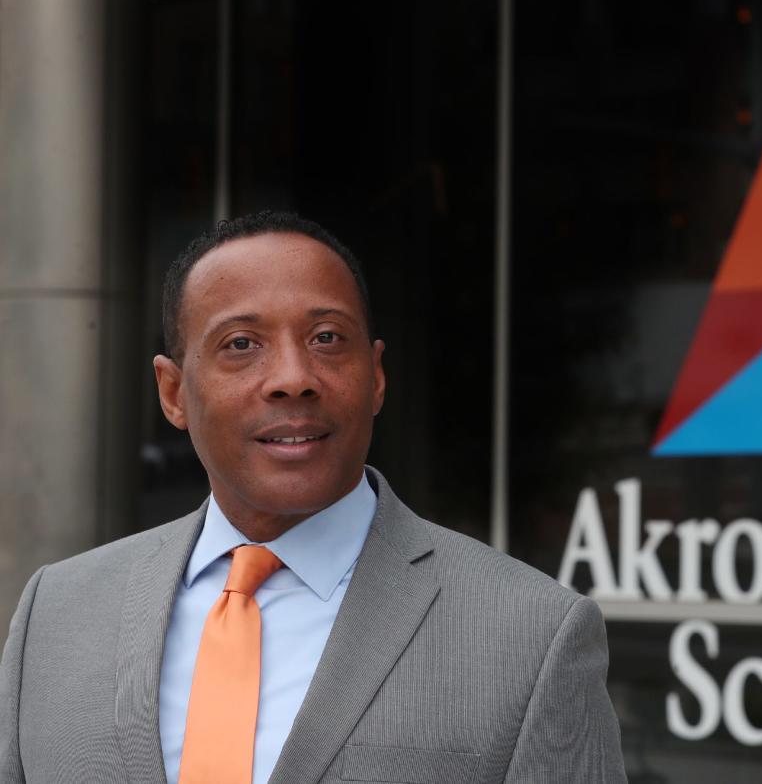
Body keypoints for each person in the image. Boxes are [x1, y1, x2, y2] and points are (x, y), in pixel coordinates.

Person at [0, 212, 626, 784]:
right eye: (241, 344)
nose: (294, 379)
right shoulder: (55, 613)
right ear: (172, 392)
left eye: (327, 338)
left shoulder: (533, 636)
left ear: (376, 376)